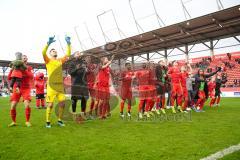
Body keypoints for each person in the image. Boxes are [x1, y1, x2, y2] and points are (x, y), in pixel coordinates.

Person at [42, 35, 71, 128]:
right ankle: (47, 121)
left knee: (62, 103)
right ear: (50, 54)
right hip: (51, 86)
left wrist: (68, 44)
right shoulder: (48, 60)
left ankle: (59, 120)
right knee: (50, 105)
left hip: (60, 86)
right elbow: (43, 52)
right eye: (53, 51)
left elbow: (68, 54)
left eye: (55, 51)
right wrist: (48, 43)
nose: (55, 52)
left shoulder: (60, 61)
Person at [8, 54, 33, 127]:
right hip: (16, 88)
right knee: (13, 106)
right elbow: (10, 77)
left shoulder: (29, 68)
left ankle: (27, 121)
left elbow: (31, 76)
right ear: (19, 59)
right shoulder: (15, 68)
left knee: (27, 104)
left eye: (26, 57)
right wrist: (12, 70)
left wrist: (24, 70)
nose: (24, 58)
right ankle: (13, 122)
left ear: (27, 59)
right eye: (23, 58)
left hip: (26, 88)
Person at [68, 51, 89, 118]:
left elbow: (86, 72)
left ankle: (83, 114)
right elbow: (70, 72)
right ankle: (74, 114)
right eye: (77, 53)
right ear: (74, 56)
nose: (79, 54)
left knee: (84, 99)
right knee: (74, 99)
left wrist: (87, 70)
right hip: (75, 84)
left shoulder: (84, 62)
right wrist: (77, 68)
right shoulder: (72, 63)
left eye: (79, 53)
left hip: (83, 84)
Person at [93, 55, 114, 119]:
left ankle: (103, 114)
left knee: (106, 101)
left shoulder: (108, 68)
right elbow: (103, 67)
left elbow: (112, 74)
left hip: (106, 86)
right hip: (101, 86)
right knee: (101, 101)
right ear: (102, 61)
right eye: (106, 59)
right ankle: (99, 114)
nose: (107, 60)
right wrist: (109, 62)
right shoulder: (100, 66)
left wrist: (112, 59)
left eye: (107, 59)